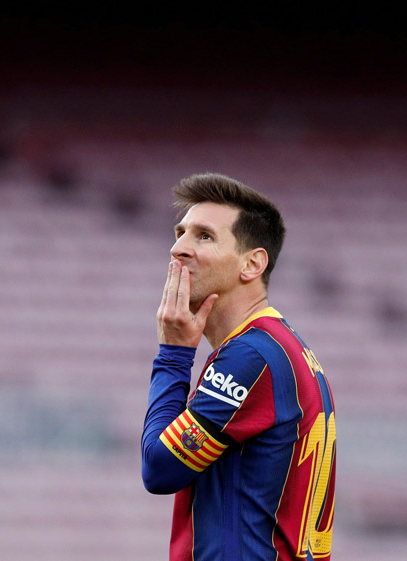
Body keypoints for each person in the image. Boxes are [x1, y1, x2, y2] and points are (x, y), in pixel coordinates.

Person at [141, 173, 336, 561]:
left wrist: (174, 354)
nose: (178, 249)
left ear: (252, 264)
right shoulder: (280, 347)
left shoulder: (250, 357)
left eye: (204, 236)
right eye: (180, 233)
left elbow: (159, 468)